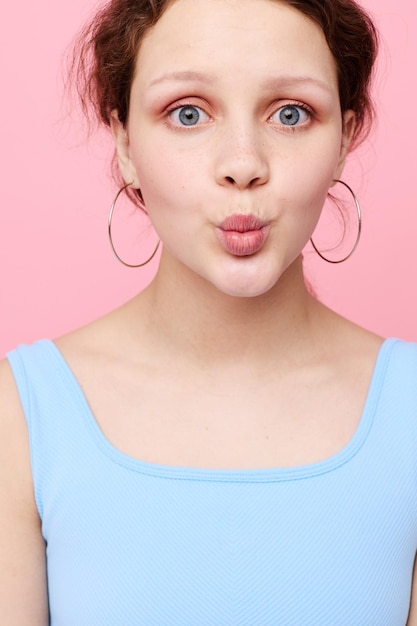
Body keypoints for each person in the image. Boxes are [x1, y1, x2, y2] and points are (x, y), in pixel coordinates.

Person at [1, 0, 416, 623]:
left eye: (291, 113)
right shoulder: (21, 418)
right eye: (187, 113)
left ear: (345, 138)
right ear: (124, 143)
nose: (243, 165)